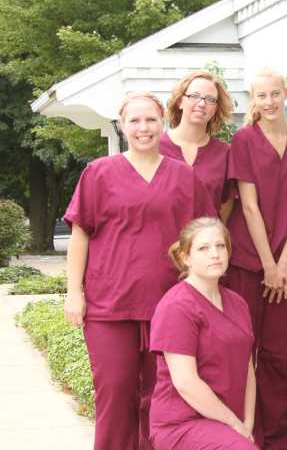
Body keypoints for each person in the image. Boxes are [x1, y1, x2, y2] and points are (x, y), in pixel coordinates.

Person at [63, 92, 217, 450]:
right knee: (114, 394)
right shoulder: (98, 173)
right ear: (122, 125)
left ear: (162, 121)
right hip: (109, 306)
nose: (143, 128)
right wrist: (75, 291)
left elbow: (203, 238)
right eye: (134, 120)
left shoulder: (183, 176)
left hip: (169, 307)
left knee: (160, 400)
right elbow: (80, 234)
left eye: (150, 119)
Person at [225, 67, 287, 448]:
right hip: (248, 261)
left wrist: (286, 260)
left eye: (275, 94)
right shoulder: (243, 140)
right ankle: (246, 436)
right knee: (245, 350)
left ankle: (279, 438)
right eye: (262, 96)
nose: (270, 102)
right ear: (252, 100)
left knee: (279, 354)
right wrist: (269, 264)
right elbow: (249, 206)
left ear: (286, 93)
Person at [149, 217, 258, 450]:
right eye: (203, 248)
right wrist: (235, 425)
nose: (215, 254)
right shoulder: (176, 307)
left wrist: (247, 422)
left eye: (220, 246)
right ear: (186, 258)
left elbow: (247, 367)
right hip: (182, 424)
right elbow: (186, 382)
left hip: (227, 422)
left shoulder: (238, 303)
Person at [161, 70, 235, 220]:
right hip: (162, 241)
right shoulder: (156, 148)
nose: (202, 104)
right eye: (194, 96)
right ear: (180, 101)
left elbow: (225, 209)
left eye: (210, 99)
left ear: (215, 108)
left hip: (207, 241)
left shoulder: (225, 154)